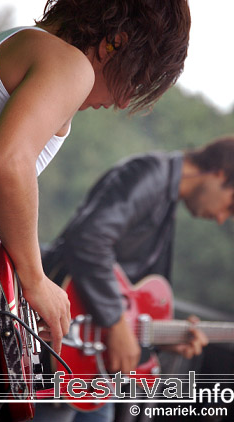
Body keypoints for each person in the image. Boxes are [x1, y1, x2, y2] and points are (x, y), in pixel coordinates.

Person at [0, 0, 191, 420]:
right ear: (114, 44)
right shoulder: (69, 63)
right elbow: (6, 162)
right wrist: (36, 281)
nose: (122, 101)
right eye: (135, 80)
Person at [36, 136, 234, 421]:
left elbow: (128, 289)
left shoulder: (167, 199)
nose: (220, 218)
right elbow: (89, 239)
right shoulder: (150, 174)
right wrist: (116, 324)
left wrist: (160, 335)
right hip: (64, 350)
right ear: (220, 173)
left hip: (96, 366)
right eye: (230, 205)